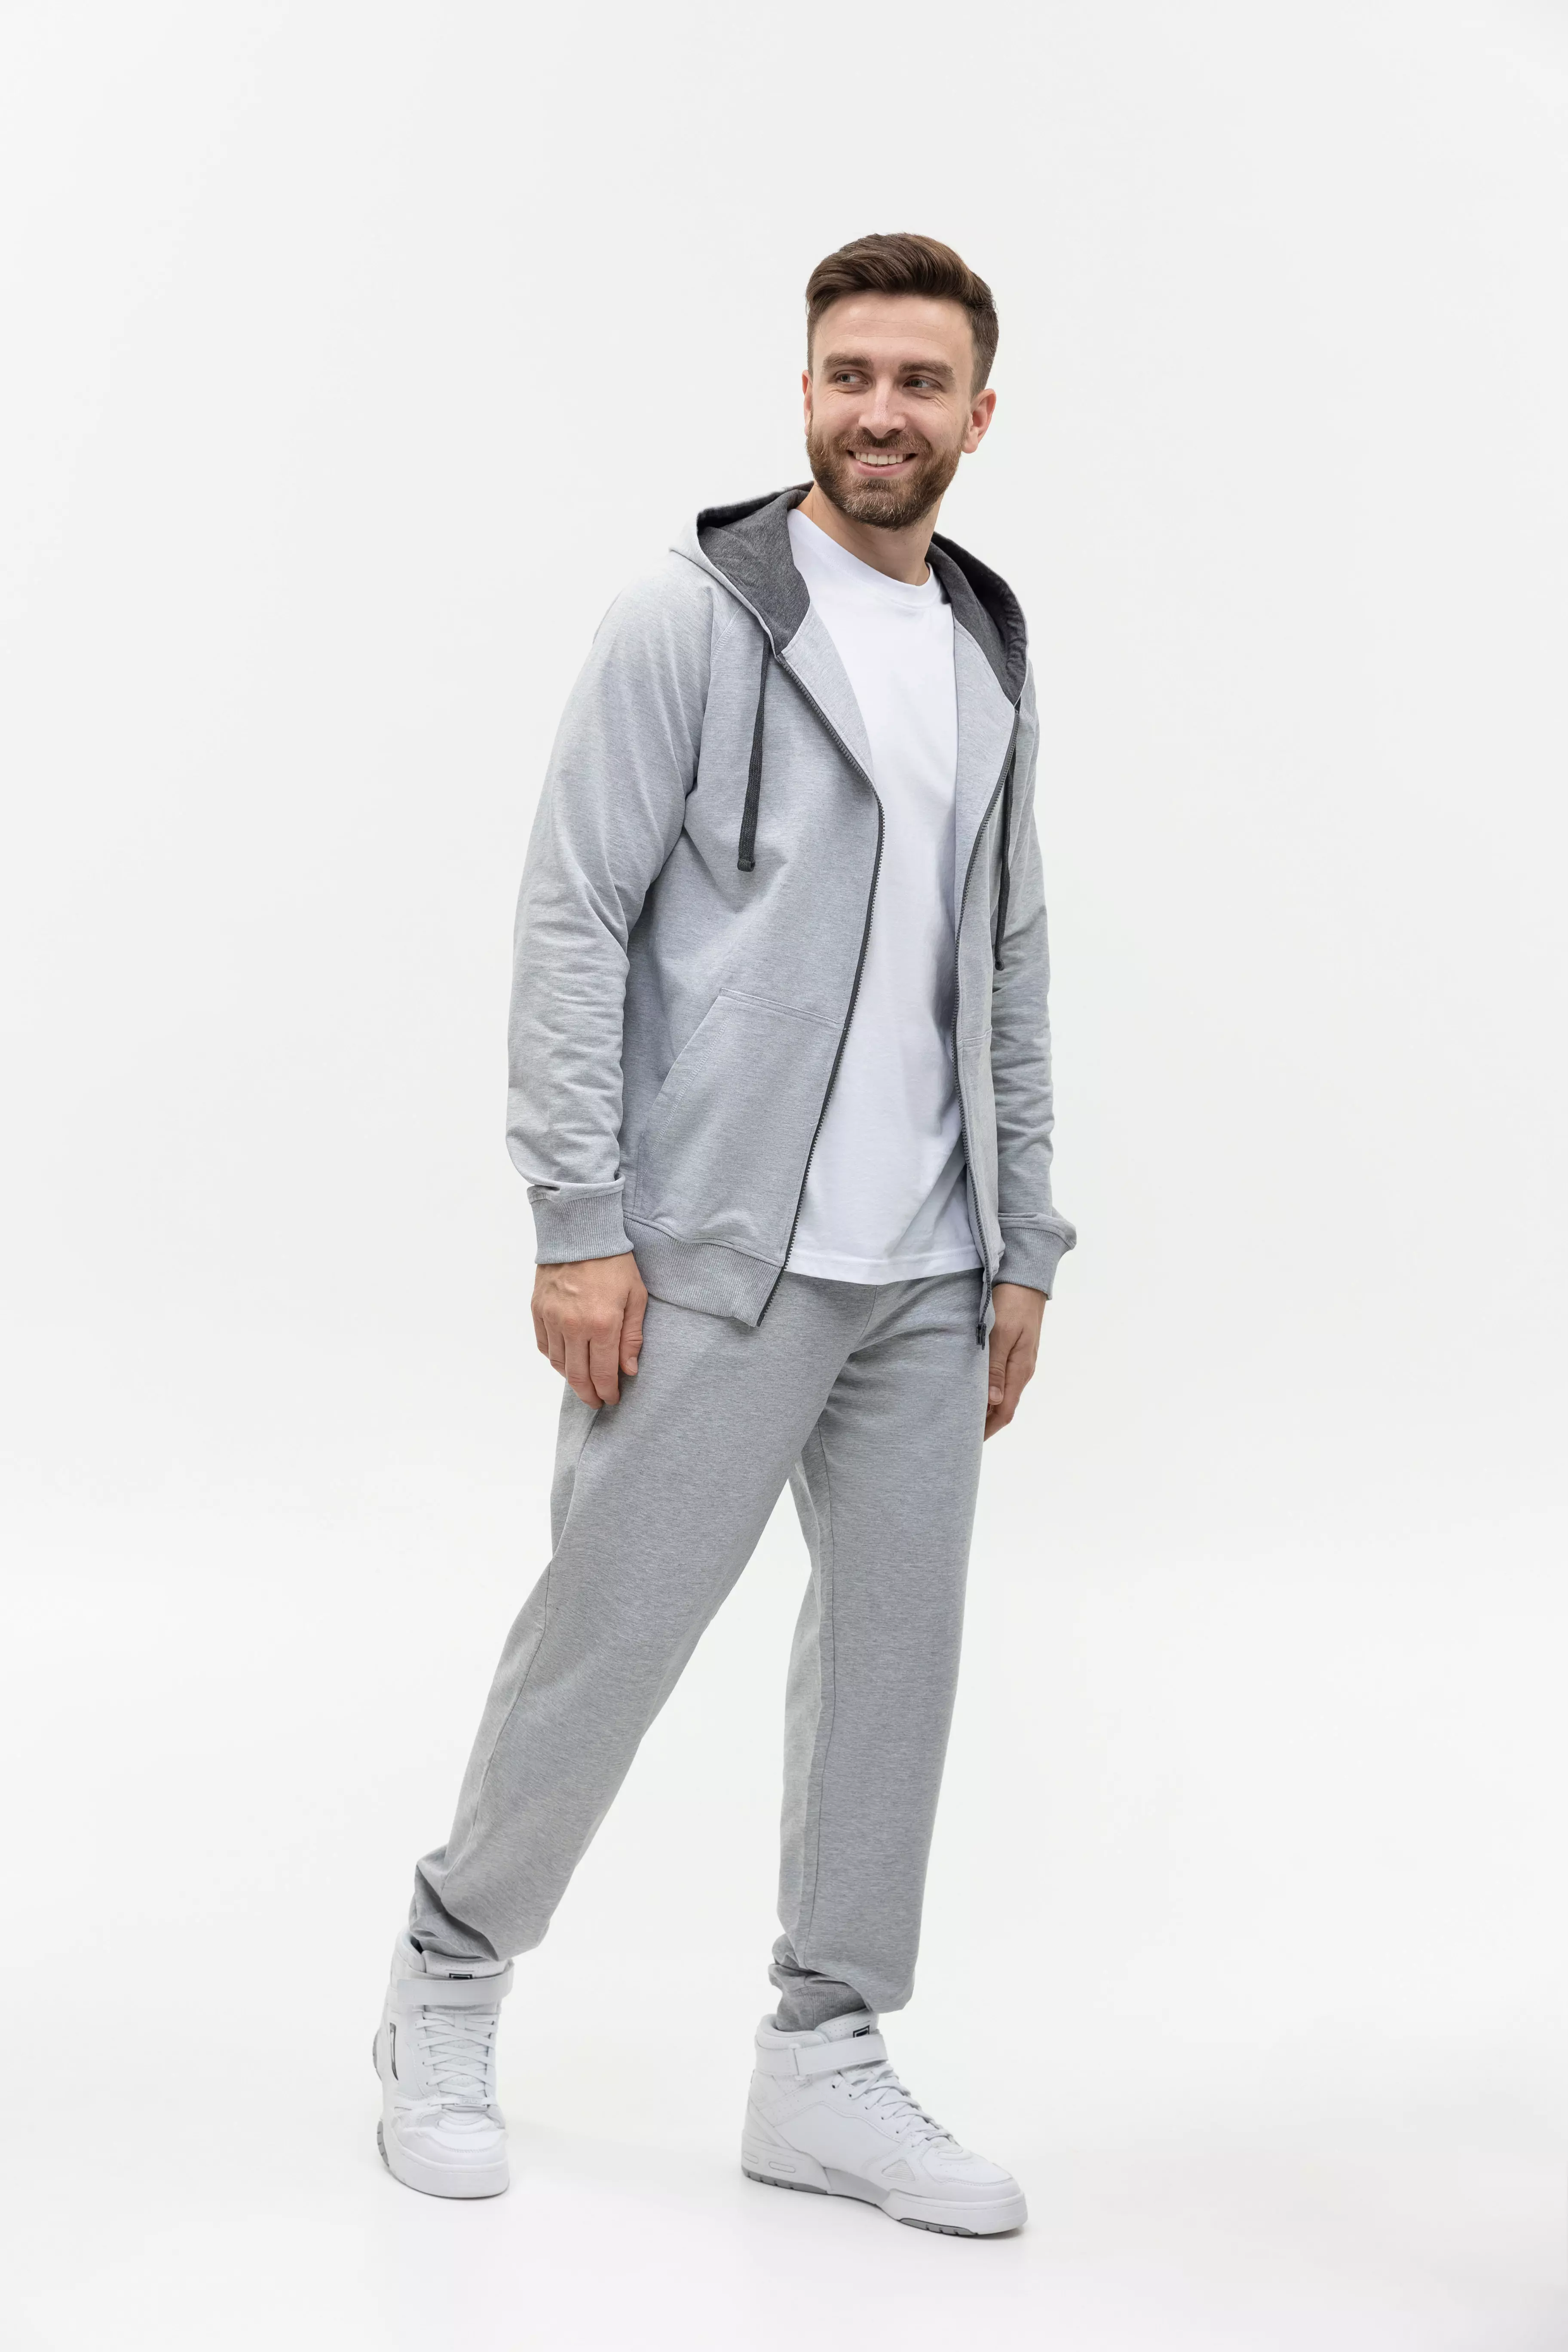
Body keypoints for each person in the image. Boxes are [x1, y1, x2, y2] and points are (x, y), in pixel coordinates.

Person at [374, 232, 1075, 2237]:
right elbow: (574, 912)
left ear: (980, 415)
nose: (880, 411)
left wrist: (1024, 1237)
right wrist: (579, 1219)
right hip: (711, 1252)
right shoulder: (688, 623)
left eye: (919, 381)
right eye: (850, 374)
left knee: (895, 1670)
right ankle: (443, 1981)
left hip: (927, 1270)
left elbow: (1009, 947)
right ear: (805, 393)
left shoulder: (987, 644)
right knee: (610, 1636)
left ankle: (824, 2058)